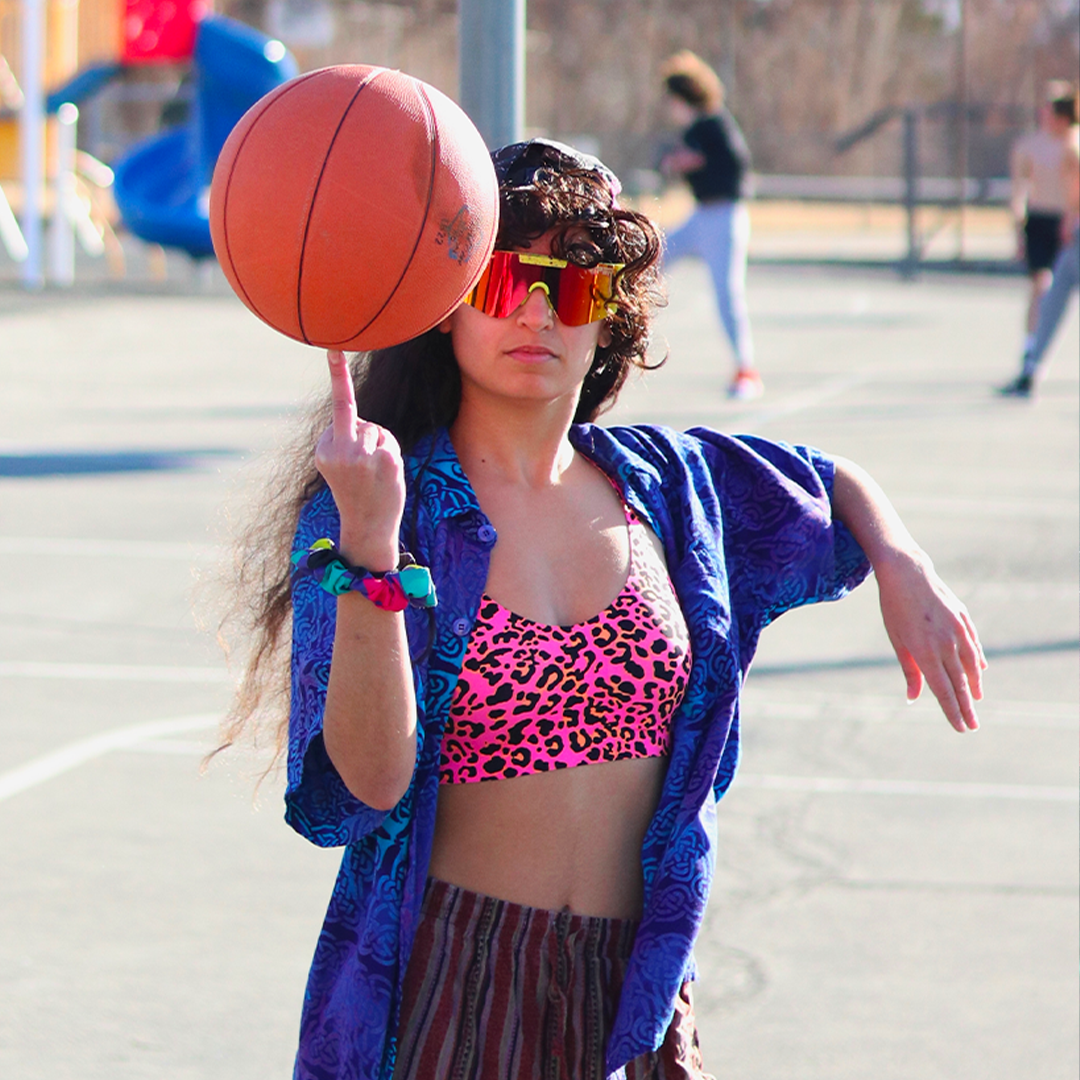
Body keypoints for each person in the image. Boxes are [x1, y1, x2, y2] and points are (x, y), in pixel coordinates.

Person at [222, 139, 985, 1080]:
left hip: (638, 1000)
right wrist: (375, 551)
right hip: (451, 992)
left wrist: (902, 561)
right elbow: (366, 789)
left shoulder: (670, 488)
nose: (540, 310)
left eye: (576, 284)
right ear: (448, 300)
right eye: (506, 279)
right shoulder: (384, 501)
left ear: (609, 319)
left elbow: (830, 483)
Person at [658, 50, 761, 401]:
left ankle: (745, 369)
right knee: (652, 260)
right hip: (702, 215)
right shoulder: (697, 128)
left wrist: (690, 160)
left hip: (723, 217)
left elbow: (735, 164)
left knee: (726, 294)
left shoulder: (714, 124)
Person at [1000, 85, 1080, 398]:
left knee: (1052, 292)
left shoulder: (1073, 145)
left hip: (1068, 226)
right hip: (1043, 222)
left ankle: (1032, 366)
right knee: (1042, 289)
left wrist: (1070, 218)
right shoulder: (1029, 146)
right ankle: (1031, 358)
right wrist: (1018, 223)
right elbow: (1020, 186)